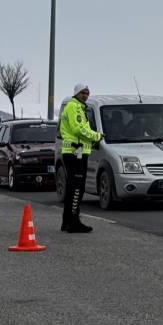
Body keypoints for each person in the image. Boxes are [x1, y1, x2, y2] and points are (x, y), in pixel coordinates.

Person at [59, 83, 103, 233]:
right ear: (77, 93)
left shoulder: (79, 107)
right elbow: (78, 129)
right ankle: (73, 221)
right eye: (83, 93)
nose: (85, 95)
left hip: (77, 151)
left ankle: (67, 221)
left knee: (73, 187)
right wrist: (96, 136)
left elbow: (83, 128)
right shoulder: (74, 107)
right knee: (77, 187)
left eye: (87, 93)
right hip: (74, 151)